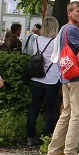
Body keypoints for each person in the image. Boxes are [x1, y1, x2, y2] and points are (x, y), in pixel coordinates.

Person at [46, 2, 79, 155]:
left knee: (67, 113)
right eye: (78, 11)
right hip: (78, 76)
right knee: (78, 114)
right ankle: (70, 151)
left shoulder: (63, 30)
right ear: (70, 13)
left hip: (66, 75)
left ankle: (54, 150)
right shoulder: (73, 30)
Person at [25, 17, 62, 147]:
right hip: (52, 78)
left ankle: (30, 137)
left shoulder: (37, 40)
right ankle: (46, 138)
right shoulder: (57, 42)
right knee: (50, 110)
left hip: (36, 77)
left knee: (33, 109)